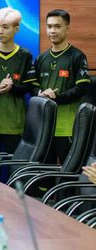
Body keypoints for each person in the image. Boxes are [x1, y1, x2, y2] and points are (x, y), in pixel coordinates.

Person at [34, 9, 91, 164]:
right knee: (44, 173)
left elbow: (81, 89)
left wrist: (56, 98)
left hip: (67, 128)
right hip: (44, 127)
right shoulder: (41, 58)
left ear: (67, 28)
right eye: (49, 26)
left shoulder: (77, 56)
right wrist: (40, 93)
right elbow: (33, 86)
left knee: (68, 172)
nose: (52, 31)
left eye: (57, 26)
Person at [0, 8, 37, 154]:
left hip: (15, 124)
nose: (0, 31)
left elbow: (29, 87)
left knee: (15, 165)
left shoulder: (25, 55)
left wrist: (12, 87)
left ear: (16, 29)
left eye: (5, 27)